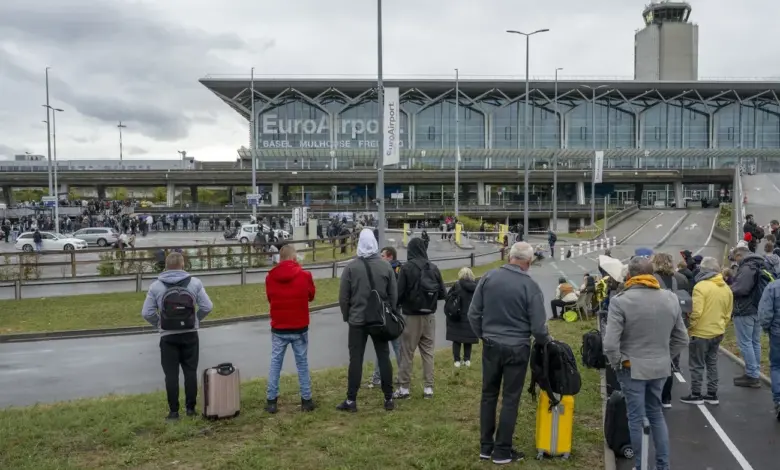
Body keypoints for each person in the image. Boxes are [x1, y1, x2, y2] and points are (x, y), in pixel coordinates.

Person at [603, 257, 689, 470]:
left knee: (635, 418)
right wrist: (665, 356)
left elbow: (610, 343)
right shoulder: (669, 298)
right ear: (653, 275)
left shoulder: (621, 301)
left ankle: (641, 465)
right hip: (660, 367)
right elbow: (682, 338)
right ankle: (663, 465)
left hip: (631, 367)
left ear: (630, 276)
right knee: (656, 414)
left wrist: (617, 363)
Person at [468, 242, 549, 464]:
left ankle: (486, 447)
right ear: (529, 262)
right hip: (517, 347)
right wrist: (545, 342)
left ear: (509, 257)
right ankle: (502, 450)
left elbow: (473, 313)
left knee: (488, 395)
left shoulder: (488, 277)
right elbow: (539, 328)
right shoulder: (530, 286)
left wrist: (484, 335)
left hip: (492, 344)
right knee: (511, 399)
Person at [141, 252, 213, 421]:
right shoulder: (195, 283)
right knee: (190, 371)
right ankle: (190, 409)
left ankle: (174, 412)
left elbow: (147, 312)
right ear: (183, 265)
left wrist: (160, 324)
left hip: (168, 336)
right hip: (190, 333)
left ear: (166, 266)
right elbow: (207, 306)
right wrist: (195, 320)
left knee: (171, 375)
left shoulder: (156, 286)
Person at [337, 229, 398, 412]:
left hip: (357, 320)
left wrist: (347, 315)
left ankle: (351, 400)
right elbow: (393, 295)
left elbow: (343, 297)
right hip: (379, 319)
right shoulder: (386, 266)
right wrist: (390, 312)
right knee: (383, 356)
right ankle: (388, 398)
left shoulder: (351, 268)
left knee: (355, 359)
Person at [264, 245, 316, 414]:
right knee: (302, 363)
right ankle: (306, 399)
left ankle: (271, 400)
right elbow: (311, 296)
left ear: (280, 258)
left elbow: (270, 298)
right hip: (299, 325)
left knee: (275, 363)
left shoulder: (270, 277)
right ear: (294, 258)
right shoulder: (304, 275)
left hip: (279, 326)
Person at [393, 237, 446, 400]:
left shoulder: (407, 268)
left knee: (407, 352)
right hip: (429, 316)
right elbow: (443, 293)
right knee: (428, 353)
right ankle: (428, 388)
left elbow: (398, 293)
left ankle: (404, 387)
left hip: (411, 316)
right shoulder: (433, 268)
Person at [679, 257, 733, 405]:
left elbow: (696, 311)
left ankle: (696, 394)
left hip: (701, 331)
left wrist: (691, 326)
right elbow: (728, 312)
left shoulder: (700, 287)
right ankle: (712, 393)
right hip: (718, 330)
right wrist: (722, 324)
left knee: (696, 363)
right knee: (712, 362)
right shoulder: (726, 288)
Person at [651, 252, 691, 407]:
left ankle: (657, 394)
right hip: (673, 316)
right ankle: (666, 396)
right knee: (668, 361)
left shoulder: (654, 278)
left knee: (658, 356)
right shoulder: (675, 279)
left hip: (658, 317)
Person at [366, 246, 403, 389]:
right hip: (385, 312)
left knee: (396, 346)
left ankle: (401, 376)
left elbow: (394, 292)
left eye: (382, 255)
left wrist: (393, 310)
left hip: (390, 314)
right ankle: (377, 376)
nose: (380, 258)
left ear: (390, 257)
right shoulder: (389, 269)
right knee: (383, 347)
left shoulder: (395, 271)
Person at [730, 245, 765, 388]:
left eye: (735, 258)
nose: (735, 262)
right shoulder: (760, 264)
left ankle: (752, 374)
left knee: (745, 342)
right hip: (758, 308)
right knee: (755, 342)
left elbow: (742, 289)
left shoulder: (747, 267)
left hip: (745, 309)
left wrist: (729, 289)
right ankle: (754, 371)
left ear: (739, 255)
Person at [445, 267, 478, 367]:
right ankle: (467, 360)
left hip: (457, 317)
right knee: (468, 339)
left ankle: (457, 361)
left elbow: (448, 298)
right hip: (469, 317)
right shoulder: (475, 288)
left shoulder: (457, 285)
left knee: (457, 339)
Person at [758, 268, 780, 420]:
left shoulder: (773, 287)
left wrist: (767, 327)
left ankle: (778, 399)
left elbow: (765, 312)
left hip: (777, 332)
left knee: (777, 366)